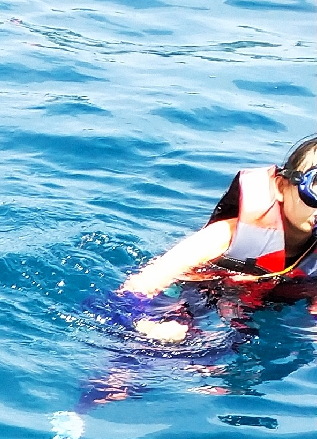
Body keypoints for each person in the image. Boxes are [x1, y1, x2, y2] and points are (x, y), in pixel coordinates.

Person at [113, 134, 317, 344]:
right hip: (191, 303)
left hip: (253, 317)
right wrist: (142, 321)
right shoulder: (224, 236)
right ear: (281, 187)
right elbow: (143, 284)